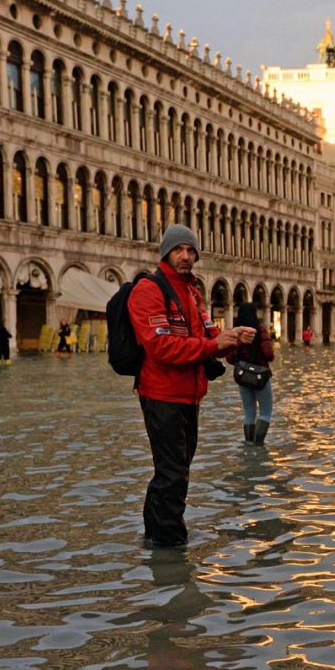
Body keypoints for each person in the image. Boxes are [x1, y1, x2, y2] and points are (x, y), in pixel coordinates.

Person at [128, 225, 253, 547]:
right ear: (166, 253)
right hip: (161, 394)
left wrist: (231, 340)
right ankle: (172, 546)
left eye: (190, 250)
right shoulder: (149, 290)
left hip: (189, 394)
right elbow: (161, 347)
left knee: (173, 470)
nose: (185, 256)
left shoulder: (192, 292)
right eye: (178, 250)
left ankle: (154, 536)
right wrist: (214, 345)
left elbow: (207, 336)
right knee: (173, 474)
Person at [232, 303, 276, 446]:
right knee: (265, 413)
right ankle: (258, 445)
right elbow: (269, 354)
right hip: (260, 377)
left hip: (243, 377)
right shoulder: (260, 330)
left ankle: (249, 443)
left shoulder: (237, 333)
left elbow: (230, 358)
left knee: (249, 413)